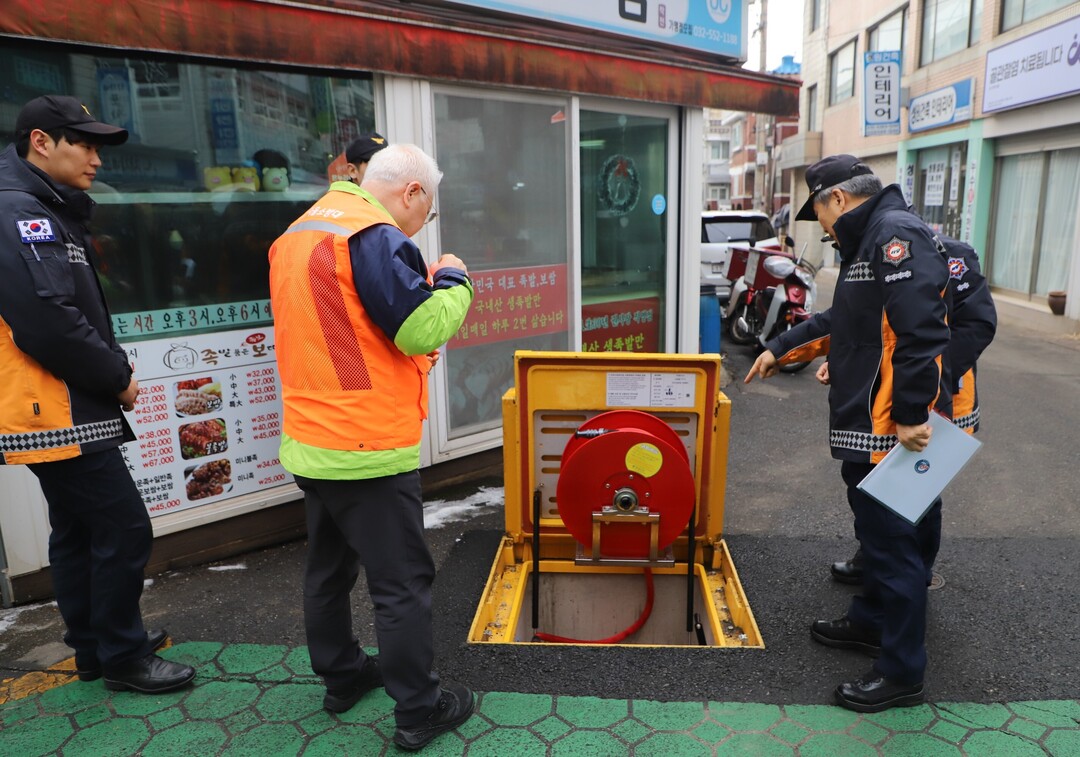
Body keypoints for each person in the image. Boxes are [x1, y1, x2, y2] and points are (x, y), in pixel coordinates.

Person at [268, 143, 475, 751]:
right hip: (367, 445)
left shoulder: (297, 234)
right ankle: (418, 710)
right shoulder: (373, 236)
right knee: (401, 583)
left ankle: (341, 676)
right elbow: (419, 325)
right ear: (411, 192)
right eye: (427, 212)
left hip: (312, 441)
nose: (420, 226)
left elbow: (346, 331)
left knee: (328, 570)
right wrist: (455, 280)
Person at [0, 95, 195, 693]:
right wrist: (117, 376)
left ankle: (96, 645)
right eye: (82, 144)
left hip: (57, 401)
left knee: (79, 530)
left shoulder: (45, 207)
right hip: (54, 404)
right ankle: (124, 658)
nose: (95, 159)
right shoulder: (22, 212)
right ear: (40, 142)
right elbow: (47, 321)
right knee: (123, 528)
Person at [744, 154, 950, 713]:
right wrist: (780, 348)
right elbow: (845, 322)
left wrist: (910, 413)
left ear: (837, 198)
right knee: (881, 541)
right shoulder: (869, 242)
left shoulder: (894, 236)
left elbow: (923, 330)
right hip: (877, 425)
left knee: (894, 549)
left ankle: (902, 672)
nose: (824, 226)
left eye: (821, 212)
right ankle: (870, 624)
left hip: (896, 430)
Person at [828, 232, 997, 584]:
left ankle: (915, 572)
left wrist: (931, 372)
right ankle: (874, 558)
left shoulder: (952, 253)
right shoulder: (877, 253)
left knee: (919, 487)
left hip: (941, 392)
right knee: (866, 482)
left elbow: (977, 323)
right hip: (892, 393)